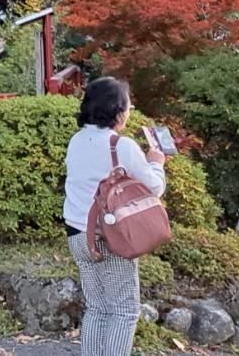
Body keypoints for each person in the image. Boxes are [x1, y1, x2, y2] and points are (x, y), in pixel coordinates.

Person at [64, 77, 166, 356]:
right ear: (117, 111)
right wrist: (157, 164)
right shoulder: (121, 146)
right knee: (124, 310)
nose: (130, 111)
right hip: (109, 236)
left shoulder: (76, 141)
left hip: (77, 234)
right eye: (129, 106)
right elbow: (154, 187)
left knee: (97, 307)